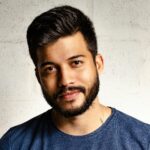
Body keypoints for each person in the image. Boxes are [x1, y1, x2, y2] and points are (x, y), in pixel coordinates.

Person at [0, 5, 150, 150]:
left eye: (76, 62)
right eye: (50, 69)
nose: (65, 80)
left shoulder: (144, 141)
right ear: (39, 77)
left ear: (98, 64)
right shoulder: (14, 144)